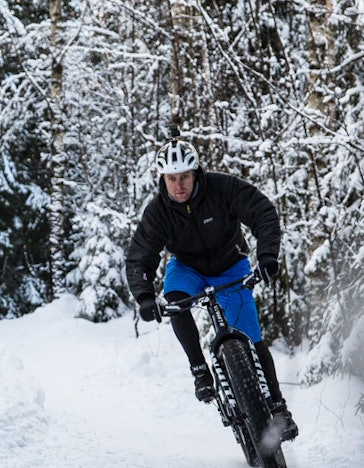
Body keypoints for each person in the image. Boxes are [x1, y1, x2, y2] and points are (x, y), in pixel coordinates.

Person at [126, 139, 298, 441]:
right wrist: (143, 296)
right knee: (176, 300)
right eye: (171, 178)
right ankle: (199, 369)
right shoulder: (158, 212)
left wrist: (267, 256)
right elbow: (141, 255)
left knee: (251, 336)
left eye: (184, 177)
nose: (179, 186)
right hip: (188, 268)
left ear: (196, 174)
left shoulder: (221, 188)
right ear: (162, 179)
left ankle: (279, 408)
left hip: (230, 264)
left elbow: (262, 212)